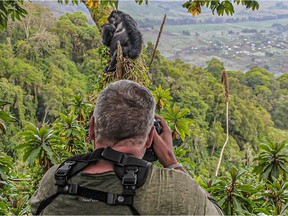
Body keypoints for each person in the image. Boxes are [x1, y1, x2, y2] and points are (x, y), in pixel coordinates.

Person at [30, 80, 223, 215]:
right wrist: (172, 161)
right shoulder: (177, 192)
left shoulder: (54, 180)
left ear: (91, 129)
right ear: (149, 138)